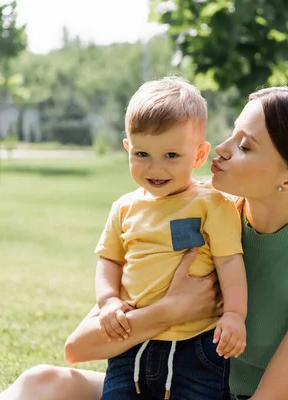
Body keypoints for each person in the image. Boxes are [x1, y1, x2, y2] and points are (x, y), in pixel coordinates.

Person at [0, 86, 288, 400]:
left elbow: (272, 396)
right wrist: (171, 310)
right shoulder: (195, 215)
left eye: (245, 147)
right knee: (40, 383)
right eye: (232, 134)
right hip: (176, 384)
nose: (221, 149)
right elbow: (80, 347)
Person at [94, 77, 247, 399]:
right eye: (142, 153)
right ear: (128, 148)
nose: (155, 167)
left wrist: (234, 313)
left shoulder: (211, 204)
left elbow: (230, 261)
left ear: (199, 154)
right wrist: (107, 300)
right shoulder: (124, 207)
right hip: (131, 339)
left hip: (196, 347)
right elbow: (109, 259)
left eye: (171, 156)